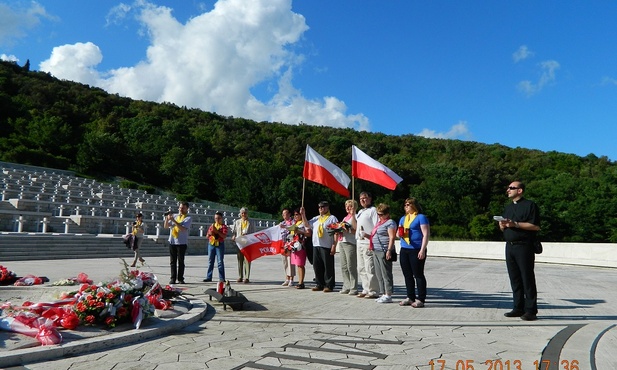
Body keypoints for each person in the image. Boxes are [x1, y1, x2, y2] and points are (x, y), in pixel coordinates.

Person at [499, 181, 541, 321]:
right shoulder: (508, 207)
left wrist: (515, 224)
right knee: (514, 278)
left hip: (524, 246)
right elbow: (505, 227)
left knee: (527, 278)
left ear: (520, 190)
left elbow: (535, 226)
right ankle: (518, 307)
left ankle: (531, 310)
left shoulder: (530, 205)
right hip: (509, 246)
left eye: (511, 188)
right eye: (508, 187)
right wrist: (502, 225)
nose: (508, 190)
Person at [398, 198, 430, 308]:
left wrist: (422, 249)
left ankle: (421, 298)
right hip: (404, 248)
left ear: (414, 205)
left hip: (416, 249)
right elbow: (399, 233)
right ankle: (410, 296)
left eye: (409, 204)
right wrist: (400, 233)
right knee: (407, 275)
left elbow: (425, 234)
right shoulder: (403, 218)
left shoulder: (421, 217)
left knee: (418, 274)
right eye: (405, 204)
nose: (406, 206)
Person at [301, 201, 338, 292]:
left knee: (327, 266)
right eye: (319, 207)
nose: (321, 209)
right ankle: (319, 283)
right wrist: (303, 215)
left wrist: (334, 245)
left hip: (326, 245)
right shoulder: (316, 218)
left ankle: (329, 284)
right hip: (316, 245)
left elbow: (336, 232)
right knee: (317, 266)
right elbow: (307, 225)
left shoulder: (332, 218)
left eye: (323, 207)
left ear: (327, 207)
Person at [369, 203, 397, 303]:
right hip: (376, 250)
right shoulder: (379, 223)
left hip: (384, 250)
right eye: (378, 214)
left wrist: (389, 250)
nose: (379, 216)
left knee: (386, 273)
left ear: (386, 214)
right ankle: (383, 293)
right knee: (379, 273)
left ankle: (388, 294)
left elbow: (392, 237)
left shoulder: (390, 223)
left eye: (381, 214)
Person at [355, 192, 380, 299]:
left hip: (367, 242)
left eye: (365, 198)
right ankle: (365, 288)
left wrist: (370, 238)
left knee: (370, 267)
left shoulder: (373, 210)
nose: (363, 200)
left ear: (370, 199)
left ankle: (373, 290)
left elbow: (377, 226)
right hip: (359, 242)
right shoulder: (360, 211)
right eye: (361, 198)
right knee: (361, 268)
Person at [164, 202, 192, 285]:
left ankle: (180, 278)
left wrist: (173, 220)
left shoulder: (188, 218)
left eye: (183, 208)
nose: (181, 209)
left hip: (181, 242)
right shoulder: (175, 216)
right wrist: (167, 218)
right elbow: (166, 226)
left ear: (187, 209)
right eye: (180, 207)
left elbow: (183, 228)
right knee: (172, 261)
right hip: (172, 240)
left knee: (180, 261)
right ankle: (173, 278)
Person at [338, 199, 359, 295]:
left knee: (351, 266)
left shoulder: (356, 216)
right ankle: (346, 286)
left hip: (350, 243)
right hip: (342, 242)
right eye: (346, 206)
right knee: (344, 266)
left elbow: (356, 230)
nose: (347, 208)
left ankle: (353, 287)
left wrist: (348, 230)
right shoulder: (345, 217)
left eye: (350, 206)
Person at [204, 211, 229, 283]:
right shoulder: (212, 226)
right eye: (216, 218)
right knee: (210, 261)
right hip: (211, 244)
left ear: (221, 219)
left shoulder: (223, 226)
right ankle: (209, 277)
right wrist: (210, 233)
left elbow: (224, 236)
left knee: (220, 262)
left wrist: (217, 232)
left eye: (218, 218)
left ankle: (222, 278)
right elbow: (207, 236)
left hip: (219, 244)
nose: (217, 220)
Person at [231, 207, 254, 283]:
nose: (244, 214)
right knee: (240, 260)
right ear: (240, 214)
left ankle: (247, 277)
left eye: (245, 213)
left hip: (247, 243)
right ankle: (240, 276)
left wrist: (248, 235)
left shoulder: (251, 222)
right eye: (242, 213)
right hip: (239, 243)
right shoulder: (237, 222)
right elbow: (234, 231)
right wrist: (234, 236)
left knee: (247, 260)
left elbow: (254, 232)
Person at [289, 209, 310, 289]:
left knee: (300, 264)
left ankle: (301, 282)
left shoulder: (303, 223)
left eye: (297, 214)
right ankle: (299, 281)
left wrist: (300, 232)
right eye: (294, 215)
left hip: (301, 245)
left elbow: (308, 233)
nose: (295, 216)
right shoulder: (295, 223)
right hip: (294, 245)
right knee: (298, 264)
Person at [279, 208, 296, 287]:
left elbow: (293, 228)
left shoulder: (293, 222)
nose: (284, 215)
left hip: (290, 244)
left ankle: (291, 279)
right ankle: (287, 278)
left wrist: (285, 227)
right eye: (283, 214)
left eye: (285, 213)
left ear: (289, 214)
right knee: (285, 262)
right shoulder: (281, 223)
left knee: (290, 262)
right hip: (283, 245)